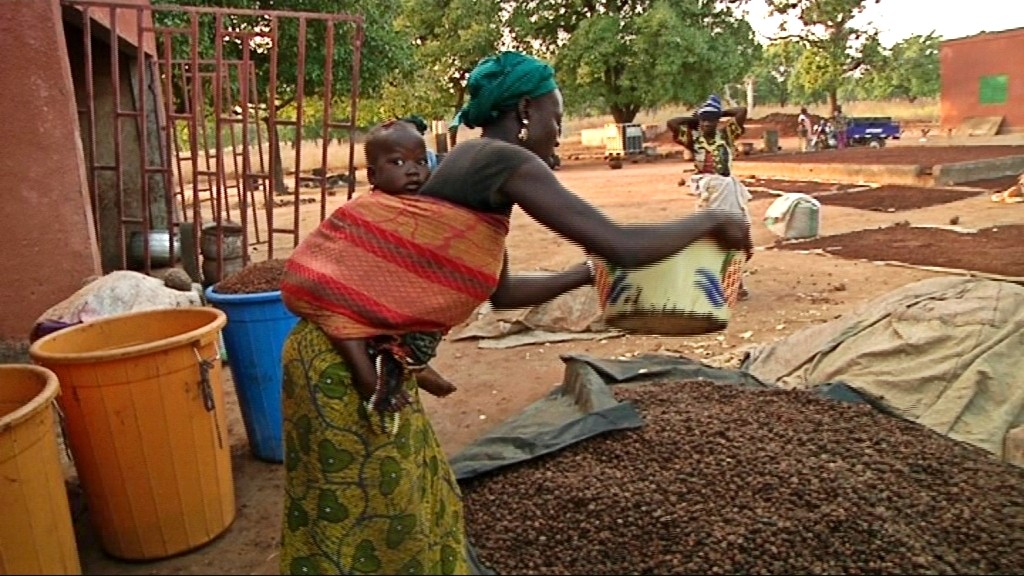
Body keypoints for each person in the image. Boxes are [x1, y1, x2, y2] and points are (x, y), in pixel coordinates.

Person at [277, 50, 752, 575]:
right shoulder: (505, 161)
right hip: (343, 362)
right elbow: (623, 245)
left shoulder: (471, 162)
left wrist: (583, 274)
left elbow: (500, 293)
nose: (559, 133)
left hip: (370, 357)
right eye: (556, 117)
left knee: (411, 498)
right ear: (525, 110)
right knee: (366, 515)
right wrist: (714, 221)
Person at [666, 94, 753, 299]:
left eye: (710, 120)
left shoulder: (727, 136)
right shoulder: (693, 140)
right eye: (703, 121)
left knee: (737, 239)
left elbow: (741, 111)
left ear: (717, 122)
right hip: (708, 194)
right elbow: (672, 123)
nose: (706, 124)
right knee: (711, 240)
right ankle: (719, 283)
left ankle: (733, 282)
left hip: (727, 191)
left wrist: (719, 113)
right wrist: (696, 118)